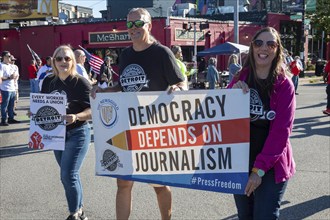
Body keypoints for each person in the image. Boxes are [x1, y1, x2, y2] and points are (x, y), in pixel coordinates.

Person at [91, 7, 185, 220]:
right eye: (129, 24)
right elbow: (124, 87)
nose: (133, 28)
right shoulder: (125, 54)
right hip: (127, 125)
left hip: (155, 128)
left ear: (149, 25)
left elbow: (181, 82)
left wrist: (178, 89)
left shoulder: (162, 53)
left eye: (138, 23)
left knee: (158, 184)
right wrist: (104, 91)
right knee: (123, 182)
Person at [227, 27, 296, 219]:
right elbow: (219, 114)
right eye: (258, 43)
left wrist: (259, 170)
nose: (263, 48)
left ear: (277, 50)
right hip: (241, 162)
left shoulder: (284, 85)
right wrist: (232, 92)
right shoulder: (240, 77)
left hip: (271, 166)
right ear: (252, 47)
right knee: (245, 216)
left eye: (270, 44)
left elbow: (281, 133)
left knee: (265, 215)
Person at [40, 45, 92, 220]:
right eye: (59, 58)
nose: (63, 62)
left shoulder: (81, 82)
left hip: (78, 132)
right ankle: (81, 211)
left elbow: (93, 110)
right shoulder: (48, 81)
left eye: (67, 58)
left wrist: (77, 116)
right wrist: (36, 113)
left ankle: (74, 214)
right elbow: (43, 105)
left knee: (68, 175)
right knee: (69, 175)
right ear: (53, 61)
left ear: (73, 61)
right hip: (56, 134)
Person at [1, 51, 20, 126]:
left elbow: (14, 75)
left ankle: (11, 118)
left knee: (11, 105)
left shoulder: (10, 66)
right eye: (9, 56)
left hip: (12, 88)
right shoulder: (1, 65)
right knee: (4, 105)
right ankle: (3, 120)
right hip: (5, 89)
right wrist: (9, 77)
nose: (10, 58)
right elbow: (1, 77)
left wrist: (14, 76)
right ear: (4, 57)